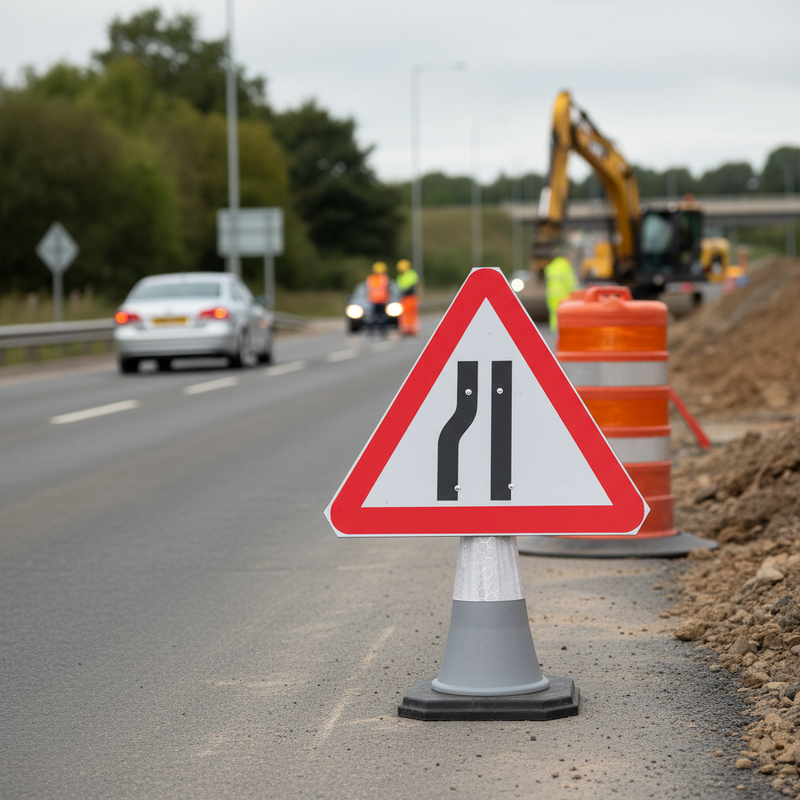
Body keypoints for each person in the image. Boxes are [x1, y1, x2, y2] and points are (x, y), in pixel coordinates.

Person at [544, 250, 577, 332]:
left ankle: (555, 331)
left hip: (551, 296)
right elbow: (570, 282)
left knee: (553, 315)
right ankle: (564, 331)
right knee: (565, 314)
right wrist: (575, 294)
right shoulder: (566, 266)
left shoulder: (550, 267)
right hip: (563, 296)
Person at [395, 258, 420, 336]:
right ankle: (406, 329)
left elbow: (414, 283)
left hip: (411, 296)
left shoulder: (411, 273)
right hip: (404, 297)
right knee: (404, 314)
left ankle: (411, 329)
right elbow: (399, 286)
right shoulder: (400, 276)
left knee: (411, 313)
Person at [366, 261, 390, 336]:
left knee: (375, 315)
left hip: (374, 300)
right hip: (381, 300)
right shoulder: (384, 278)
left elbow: (369, 289)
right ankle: (381, 330)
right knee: (381, 316)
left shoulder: (370, 278)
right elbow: (387, 288)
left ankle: (372, 330)